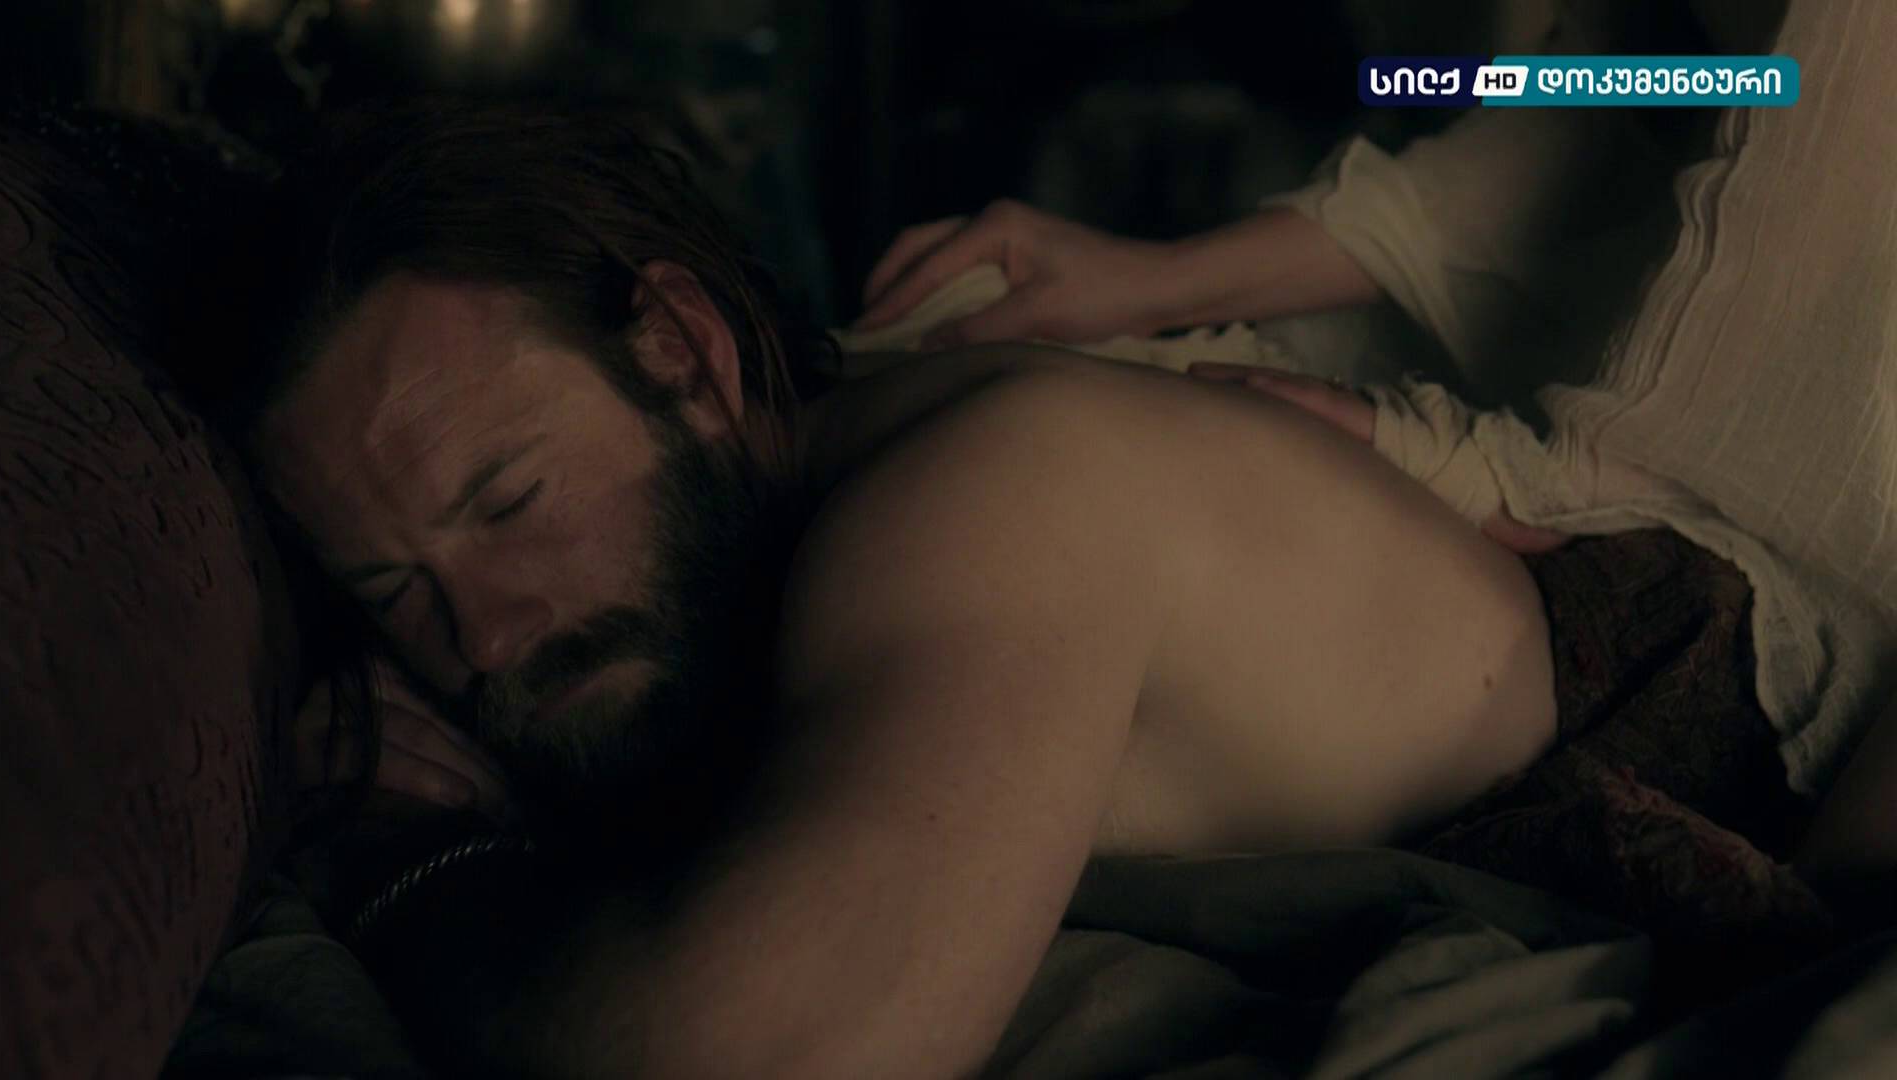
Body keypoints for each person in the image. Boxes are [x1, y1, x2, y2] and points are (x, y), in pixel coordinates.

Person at [229, 101, 1798, 1078]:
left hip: (1697, 696)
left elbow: (759, 1058)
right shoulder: (810, 482)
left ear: (687, 351)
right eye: (391, 590)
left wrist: (418, 863)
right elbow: (1614, 77)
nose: (483, 641)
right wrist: (1201, 267)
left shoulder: (979, 498)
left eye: (509, 503)